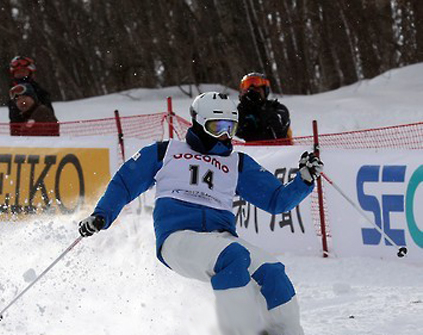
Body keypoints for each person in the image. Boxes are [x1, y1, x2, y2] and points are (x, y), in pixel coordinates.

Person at [77, 92, 323, 335]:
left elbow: (276, 200)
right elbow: (125, 182)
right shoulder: (166, 152)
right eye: (217, 127)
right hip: (177, 238)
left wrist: (303, 180)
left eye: (231, 128)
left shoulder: (237, 163)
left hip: (220, 238)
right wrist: (102, 215)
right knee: (234, 255)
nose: (225, 136)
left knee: (273, 271)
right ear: (198, 123)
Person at [236, 72, 291, 143]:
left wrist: (261, 109)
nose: (252, 92)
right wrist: (243, 110)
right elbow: (234, 133)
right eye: (248, 90)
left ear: (265, 90)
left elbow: (279, 132)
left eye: (257, 89)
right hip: (249, 150)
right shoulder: (241, 110)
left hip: (278, 150)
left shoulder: (278, 108)